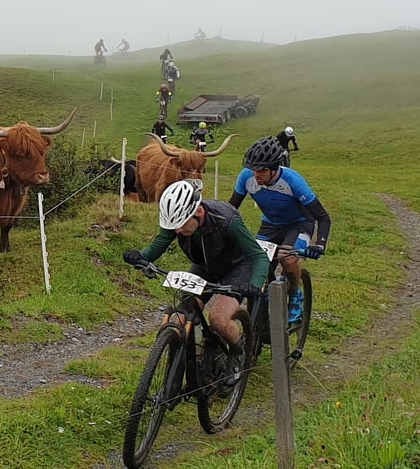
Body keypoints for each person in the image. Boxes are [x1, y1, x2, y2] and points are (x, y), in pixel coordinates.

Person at [124, 179, 270, 386]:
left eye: (181, 226)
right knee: (178, 319)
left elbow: (258, 256)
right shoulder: (177, 220)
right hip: (204, 266)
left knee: (219, 318)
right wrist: (141, 257)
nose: (177, 232)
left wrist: (255, 284)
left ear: (199, 213)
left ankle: (237, 353)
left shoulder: (227, 220)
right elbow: (161, 241)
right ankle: (177, 373)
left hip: (237, 267)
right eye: (173, 227)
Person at [227, 136, 332, 325]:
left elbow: (323, 217)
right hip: (270, 225)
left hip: (299, 223)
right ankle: (261, 319)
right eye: (253, 170)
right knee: (256, 265)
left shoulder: (292, 180)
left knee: (286, 257)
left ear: (274, 167)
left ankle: (294, 293)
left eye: (262, 170)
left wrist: (320, 245)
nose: (256, 175)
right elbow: (231, 209)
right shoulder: (246, 177)